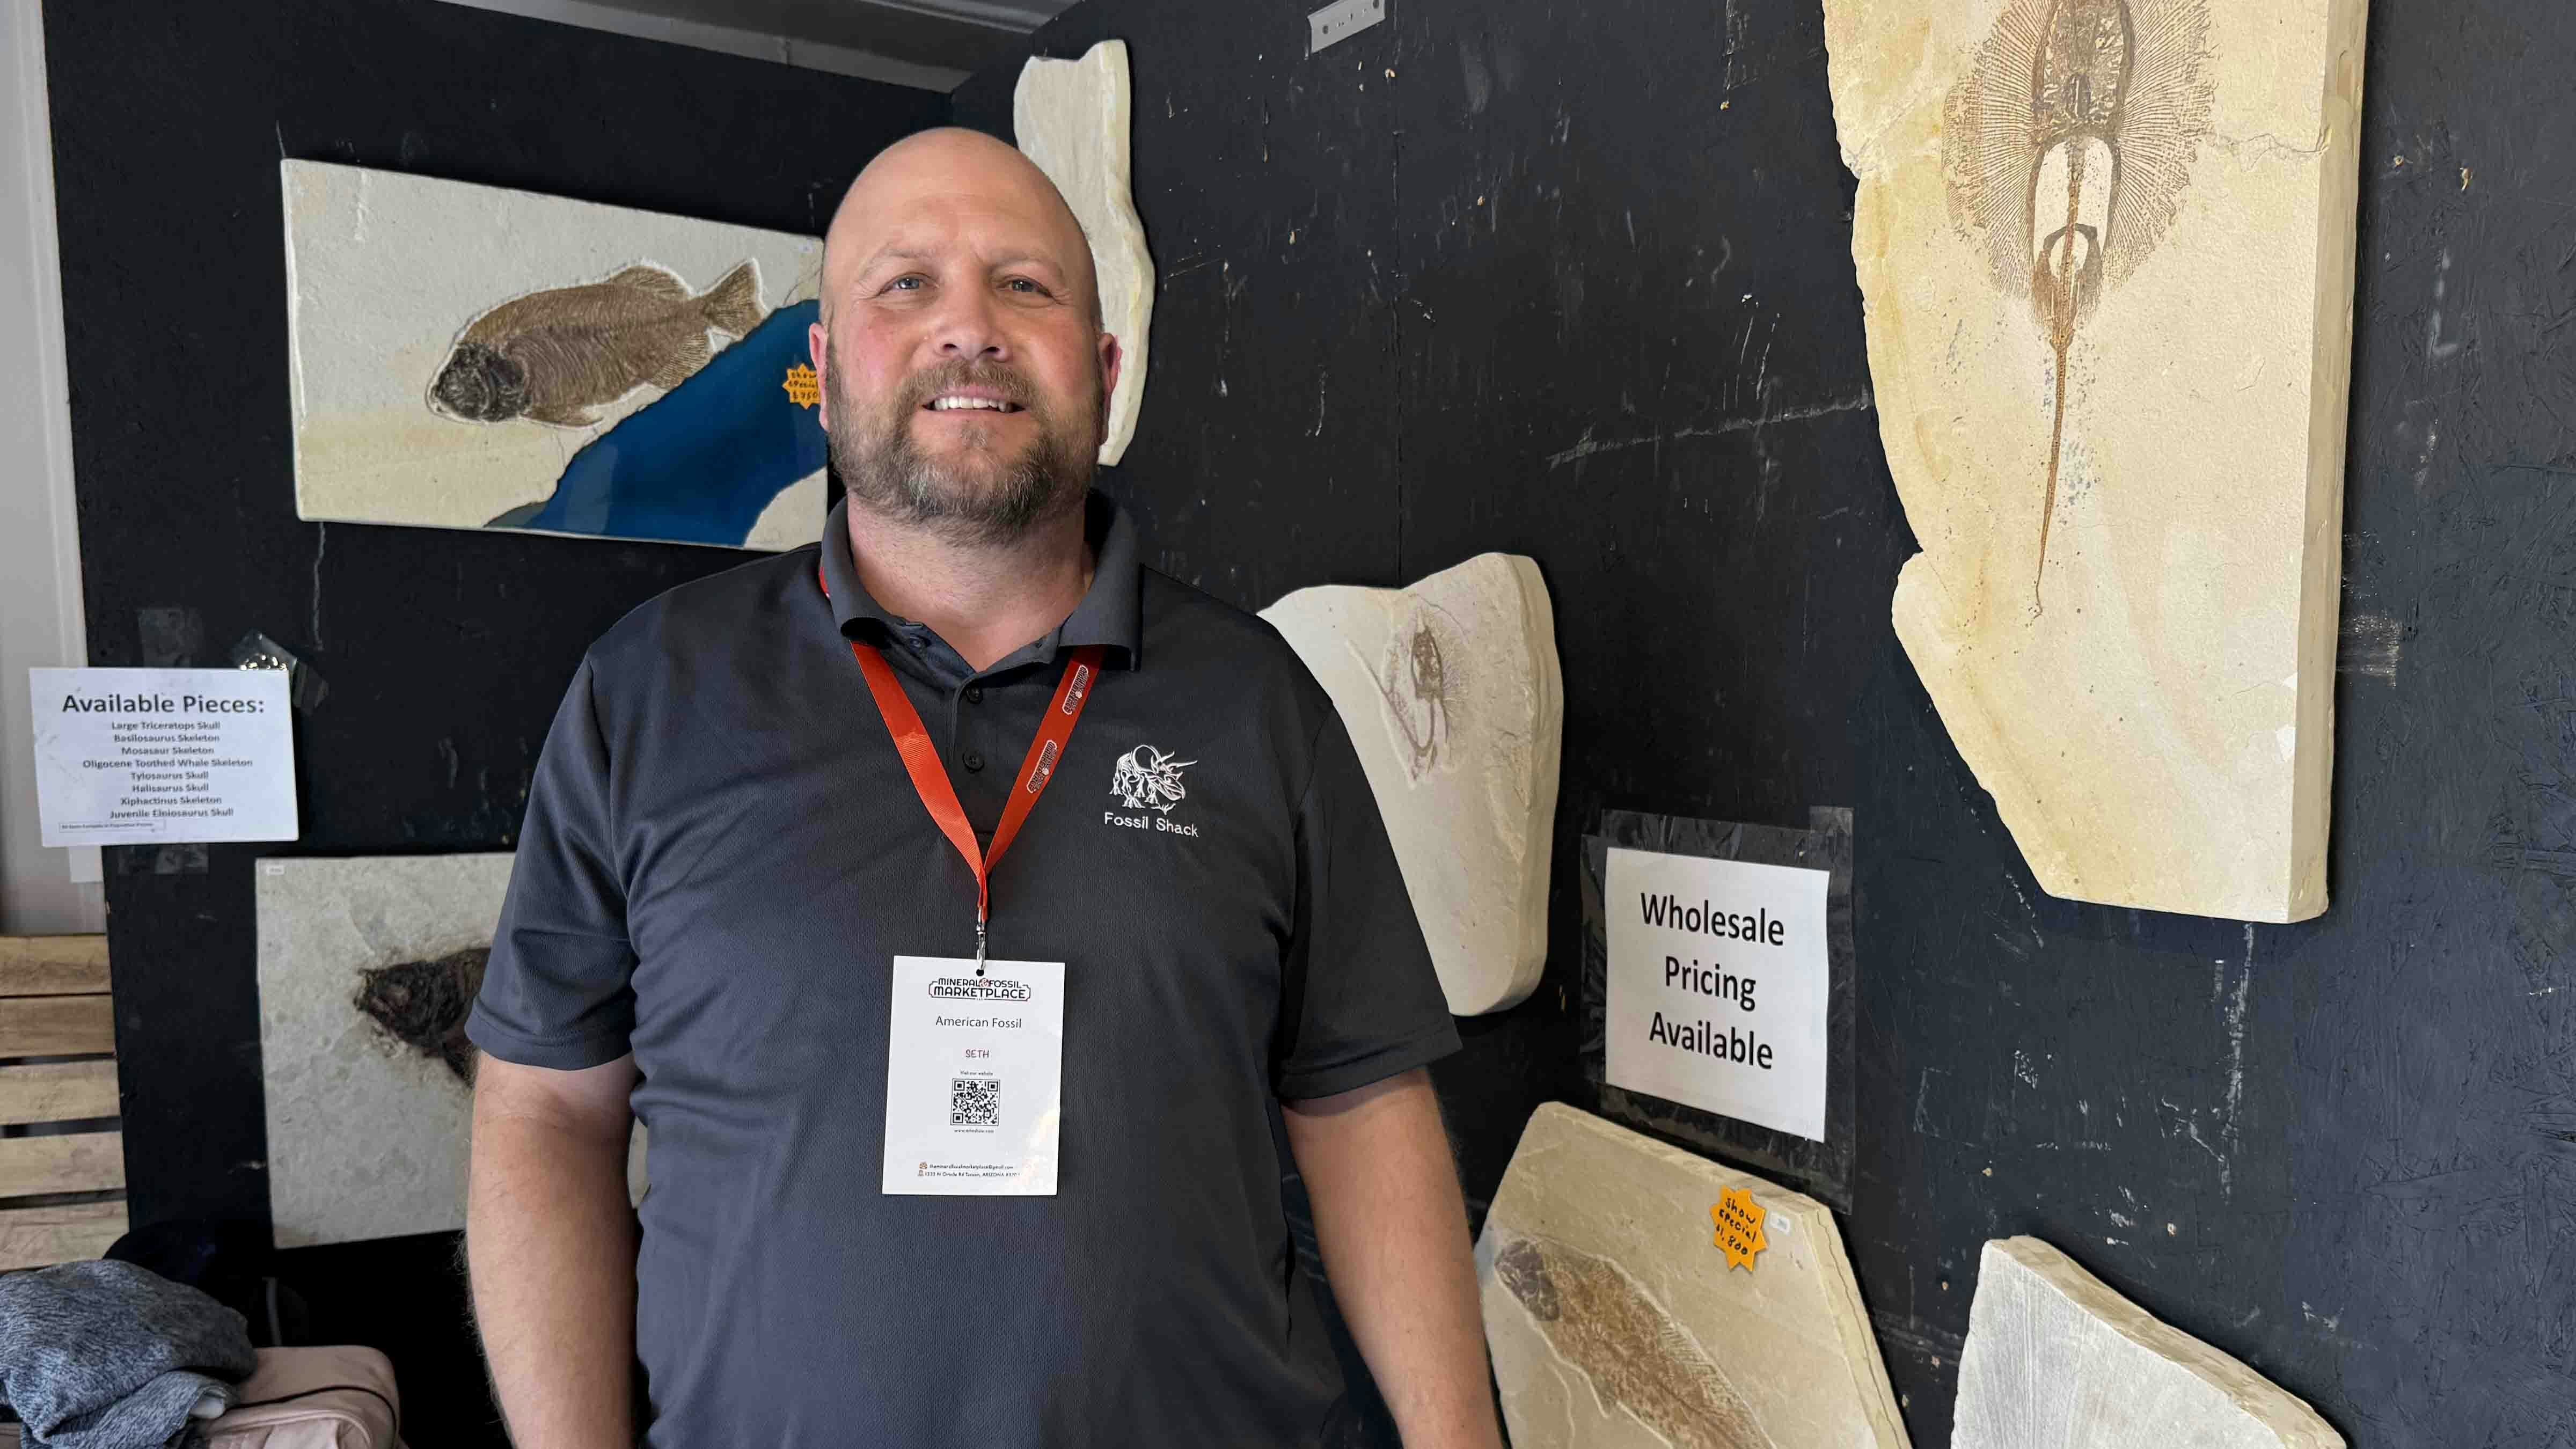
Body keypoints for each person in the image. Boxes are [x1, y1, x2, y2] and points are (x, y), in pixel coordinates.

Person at [463, 127, 1504, 1449]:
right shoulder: (647, 693)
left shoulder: (1259, 701)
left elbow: (1357, 1096)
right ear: (823, 374)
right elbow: (547, 1113)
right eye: (906, 285)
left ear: (1107, 376)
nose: (971, 328)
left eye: (1027, 285)